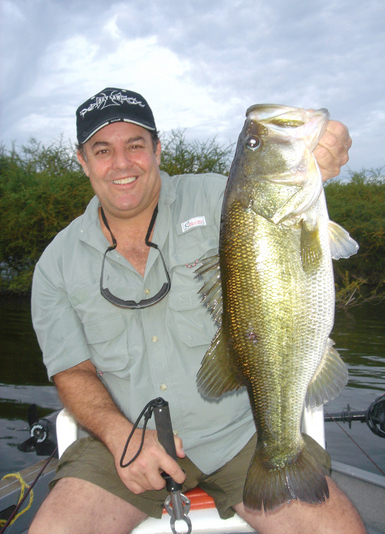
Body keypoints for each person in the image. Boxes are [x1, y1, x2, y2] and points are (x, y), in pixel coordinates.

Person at [29, 87, 365, 534]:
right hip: (125, 444)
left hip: (243, 435)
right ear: (82, 161)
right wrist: (118, 435)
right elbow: (71, 372)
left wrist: (318, 156)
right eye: (102, 150)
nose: (122, 164)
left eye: (135, 146)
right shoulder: (55, 264)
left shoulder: (222, 198)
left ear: (157, 149)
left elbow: (278, 200)